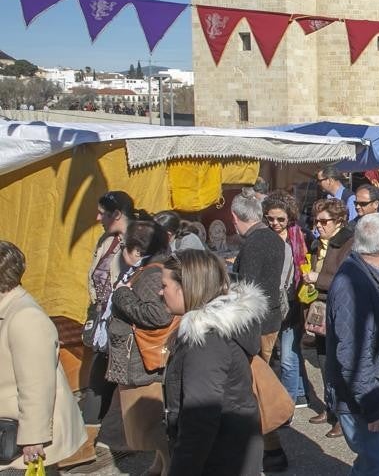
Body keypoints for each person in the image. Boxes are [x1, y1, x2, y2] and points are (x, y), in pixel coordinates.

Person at [160, 250, 264, 475]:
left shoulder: (205, 342)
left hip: (220, 458)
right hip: (232, 449)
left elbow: (200, 418)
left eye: (164, 286)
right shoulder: (213, 332)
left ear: (186, 286)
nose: (160, 292)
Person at [325, 213, 379, 476]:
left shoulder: (369, 273)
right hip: (364, 399)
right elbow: (353, 355)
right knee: (376, 464)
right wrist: (373, 409)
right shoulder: (353, 285)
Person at [0, 241, 88, 471]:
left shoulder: (25, 317)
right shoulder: (7, 309)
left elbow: (37, 383)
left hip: (22, 440)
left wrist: (33, 437)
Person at [105, 220, 174, 475]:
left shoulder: (151, 274)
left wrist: (122, 294)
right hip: (146, 360)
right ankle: (160, 465)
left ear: (136, 249)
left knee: (151, 424)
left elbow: (158, 315)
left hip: (145, 362)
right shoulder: (155, 268)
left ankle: (169, 467)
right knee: (152, 422)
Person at [229, 193, 290, 471]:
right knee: (259, 382)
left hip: (257, 324)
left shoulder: (255, 242)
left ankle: (271, 448)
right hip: (270, 318)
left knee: (256, 387)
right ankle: (268, 447)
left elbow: (248, 291)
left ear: (235, 217)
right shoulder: (273, 238)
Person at [82, 190, 135, 443]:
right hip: (103, 318)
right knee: (100, 373)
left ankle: (106, 433)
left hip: (123, 321)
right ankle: (92, 431)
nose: (97, 217)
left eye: (102, 213)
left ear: (117, 214)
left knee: (115, 376)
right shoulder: (106, 239)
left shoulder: (138, 242)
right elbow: (95, 276)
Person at [263, 195, 314, 410]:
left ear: (290, 218)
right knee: (291, 352)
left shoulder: (299, 237)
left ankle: (288, 405)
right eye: (270, 219)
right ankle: (301, 393)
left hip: (294, 302)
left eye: (280, 220)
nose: (275, 224)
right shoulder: (264, 237)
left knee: (287, 357)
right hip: (274, 302)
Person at [308, 198, 352, 432]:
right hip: (319, 307)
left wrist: (319, 279)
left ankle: (342, 414)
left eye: (324, 221)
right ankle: (330, 407)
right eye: (316, 221)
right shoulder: (318, 243)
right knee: (323, 360)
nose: (319, 226)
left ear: (339, 221)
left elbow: (347, 279)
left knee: (338, 363)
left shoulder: (348, 243)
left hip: (339, 309)